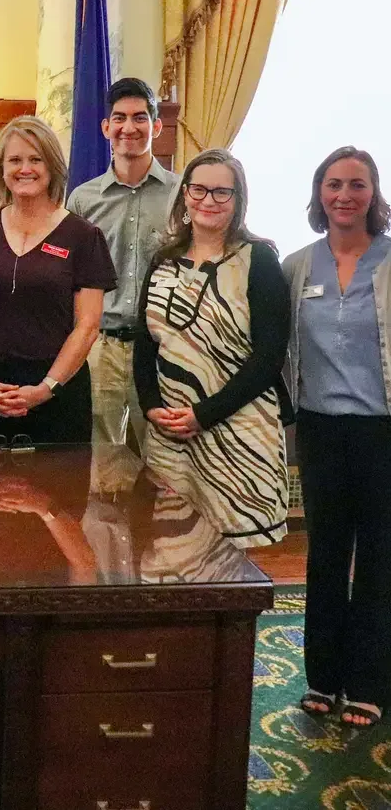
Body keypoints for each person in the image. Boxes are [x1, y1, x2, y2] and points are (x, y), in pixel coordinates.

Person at [133, 148, 291, 551]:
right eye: (199, 189)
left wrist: (204, 415)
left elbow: (269, 357)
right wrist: (151, 406)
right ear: (185, 195)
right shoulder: (163, 261)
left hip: (238, 431)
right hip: (171, 434)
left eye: (222, 192)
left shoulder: (259, 260)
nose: (208, 200)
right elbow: (145, 345)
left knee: (235, 566)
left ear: (238, 200)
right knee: (172, 549)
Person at [283, 146, 391, 727]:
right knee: (325, 554)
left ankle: (371, 682)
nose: (345, 195)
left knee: (380, 557)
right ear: (319, 193)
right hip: (321, 429)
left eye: (357, 184)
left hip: (383, 430)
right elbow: (278, 349)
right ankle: (323, 677)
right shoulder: (297, 266)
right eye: (333, 184)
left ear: (374, 194)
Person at [0, 115, 116, 448]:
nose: (24, 169)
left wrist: (45, 389)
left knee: (57, 498)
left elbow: (87, 326)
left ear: (52, 166)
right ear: (0, 169)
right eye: (14, 160)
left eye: (35, 159)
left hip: (58, 394)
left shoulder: (84, 236)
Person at [67, 78, 177, 491]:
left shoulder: (182, 194)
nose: (129, 127)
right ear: (105, 128)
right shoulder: (82, 200)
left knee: (167, 461)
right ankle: (104, 555)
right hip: (102, 345)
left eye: (139, 118)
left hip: (163, 345)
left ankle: (166, 553)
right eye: (119, 118)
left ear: (157, 126)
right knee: (101, 467)